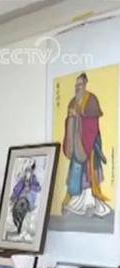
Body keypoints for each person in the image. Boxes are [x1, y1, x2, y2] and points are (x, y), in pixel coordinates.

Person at [62, 72, 111, 217]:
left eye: (80, 85)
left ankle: (92, 205)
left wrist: (78, 117)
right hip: (76, 144)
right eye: (76, 85)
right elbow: (69, 122)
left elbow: (92, 125)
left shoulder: (91, 100)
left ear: (85, 84)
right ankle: (76, 204)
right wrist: (71, 119)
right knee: (77, 173)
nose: (77, 88)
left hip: (90, 144)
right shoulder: (72, 102)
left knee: (90, 174)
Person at [10, 161, 41, 235]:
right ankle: (16, 220)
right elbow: (18, 187)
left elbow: (38, 188)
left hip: (29, 196)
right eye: (27, 171)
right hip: (21, 195)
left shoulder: (34, 179)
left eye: (29, 171)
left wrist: (31, 187)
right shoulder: (23, 179)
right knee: (16, 207)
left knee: (25, 206)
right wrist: (14, 195)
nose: (28, 172)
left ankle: (22, 225)